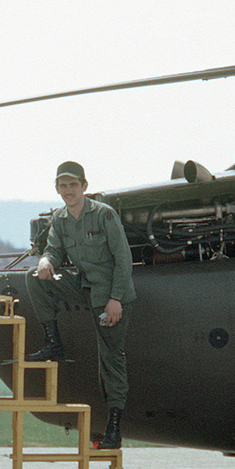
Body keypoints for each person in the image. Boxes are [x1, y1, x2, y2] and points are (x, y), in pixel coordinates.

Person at [25, 160, 136, 449]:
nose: (68, 190)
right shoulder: (60, 219)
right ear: (57, 188)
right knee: (34, 277)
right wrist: (46, 260)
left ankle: (113, 429)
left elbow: (123, 259)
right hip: (85, 289)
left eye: (73, 185)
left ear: (84, 186)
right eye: (63, 186)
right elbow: (53, 249)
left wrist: (116, 299)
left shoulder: (103, 215)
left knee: (110, 359)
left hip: (110, 296)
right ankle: (53, 342)